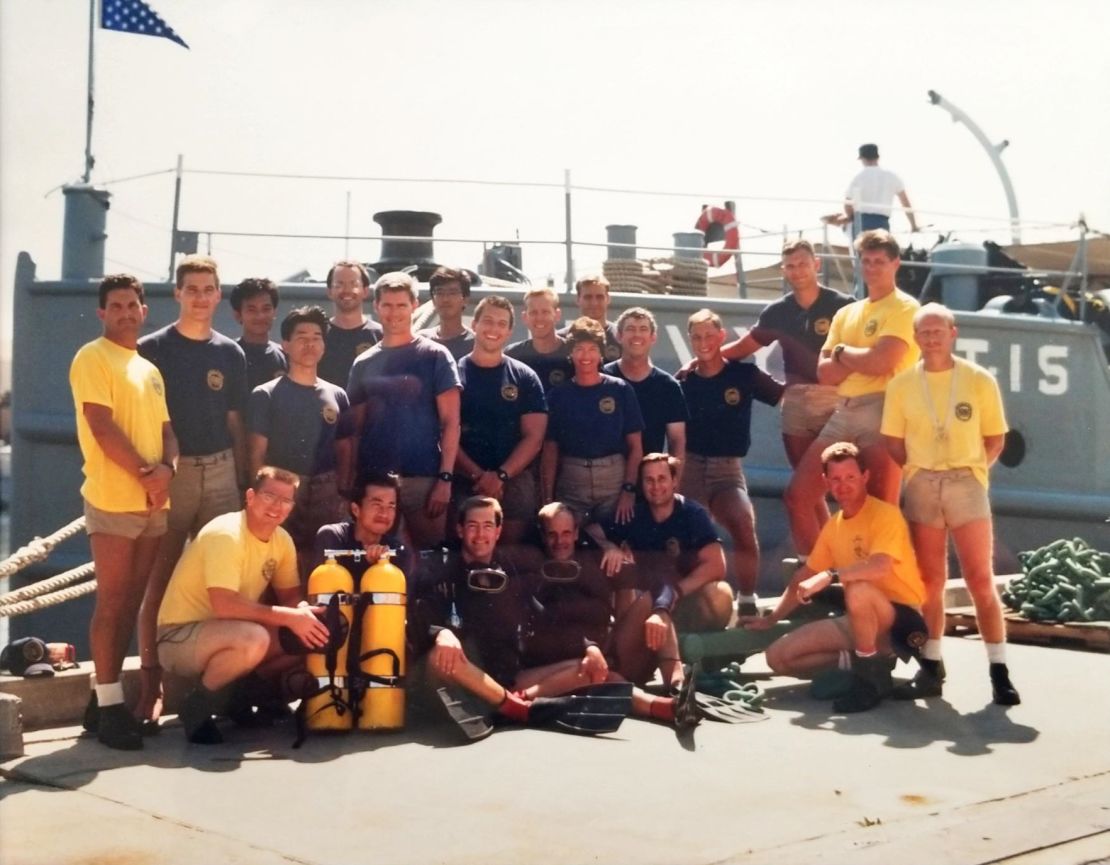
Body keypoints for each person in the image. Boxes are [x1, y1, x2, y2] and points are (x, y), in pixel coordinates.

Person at [881, 303, 1020, 705]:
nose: (931, 338)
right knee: (930, 581)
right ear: (916, 337)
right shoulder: (903, 384)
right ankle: (932, 666)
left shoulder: (978, 380)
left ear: (952, 333)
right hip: (923, 482)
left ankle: (999, 670)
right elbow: (893, 441)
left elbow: (995, 438)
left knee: (980, 579)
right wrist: (917, 473)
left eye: (937, 331)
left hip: (965, 482)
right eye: (923, 332)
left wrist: (973, 473)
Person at [135, 254, 248, 726]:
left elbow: (236, 424)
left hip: (221, 470)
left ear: (219, 296)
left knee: (222, 581)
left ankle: (220, 691)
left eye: (208, 289)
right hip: (173, 475)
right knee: (157, 581)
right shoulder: (152, 350)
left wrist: (242, 483)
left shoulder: (230, 354)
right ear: (177, 293)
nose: (201, 297)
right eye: (192, 289)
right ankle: (150, 688)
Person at [70, 274, 178, 750]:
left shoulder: (148, 369)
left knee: (132, 603)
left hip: (155, 501)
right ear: (102, 313)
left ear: (143, 311)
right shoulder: (92, 357)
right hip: (115, 500)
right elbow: (100, 425)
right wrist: (144, 473)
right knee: (112, 604)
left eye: (133, 305)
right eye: (116, 306)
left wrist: (167, 472)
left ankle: (101, 699)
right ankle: (112, 707)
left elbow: (168, 431)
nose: (126, 312)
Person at [742, 443, 927, 714]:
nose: (843, 485)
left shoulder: (886, 515)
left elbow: (880, 566)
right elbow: (804, 575)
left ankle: (869, 682)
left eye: (850, 477)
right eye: (836, 479)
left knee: (859, 590)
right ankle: (869, 662)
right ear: (826, 482)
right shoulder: (834, 527)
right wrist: (772, 618)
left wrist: (831, 575)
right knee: (778, 658)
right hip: (860, 618)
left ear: (864, 477)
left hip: (901, 621)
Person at [156, 467, 330, 744]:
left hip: (226, 633)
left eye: (285, 501)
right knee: (255, 638)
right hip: (179, 637)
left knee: (312, 634)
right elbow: (224, 605)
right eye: (270, 496)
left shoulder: (281, 540)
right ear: (250, 496)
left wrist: (303, 613)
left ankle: (238, 699)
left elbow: (290, 599)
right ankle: (197, 708)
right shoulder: (227, 534)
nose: (277, 507)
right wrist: (290, 617)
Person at [783, 230, 920, 555]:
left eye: (880, 261)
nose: (872, 267)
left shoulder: (904, 307)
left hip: (883, 411)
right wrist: (860, 357)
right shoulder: (847, 313)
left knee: (880, 507)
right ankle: (818, 573)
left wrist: (843, 353)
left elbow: (884, 360)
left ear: (895, 264)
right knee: (798, 495)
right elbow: (825, 372)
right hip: (843, 411)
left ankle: (884, 590)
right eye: (867, 261)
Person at [527, 501, 696, 726]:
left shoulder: (596, 561)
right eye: (552, 535)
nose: (560, 542)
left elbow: (660, 582)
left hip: (612, 653)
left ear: (577, 533)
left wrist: (661, 611)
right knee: (597, 673)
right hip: (572, 667)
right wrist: (589, 646)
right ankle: (664, 706)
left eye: (566, 533)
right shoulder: (534, 570)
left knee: (652, 605)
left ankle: (677, 687)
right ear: (542, 536)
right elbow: (547, 621)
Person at [345, 272, 461, 548]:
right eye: (387, 305)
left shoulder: (436, 356)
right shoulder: (363, 362)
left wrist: (445, 479)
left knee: (430, 560)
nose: (393, 312)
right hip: (376, 484)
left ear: (415, 305)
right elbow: (354, 430)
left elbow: (451, 422)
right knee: (378, 562)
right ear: (376, 307)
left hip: (424, 481)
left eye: (401, 305)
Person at [680, 308, 784, 615]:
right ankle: (694, 600)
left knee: (742, 521)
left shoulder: (744, 375)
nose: (703, 342)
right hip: (691, 468)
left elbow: (787, 398)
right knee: (689, 536)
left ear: (722, 337)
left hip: (727, 470)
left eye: (709, 335)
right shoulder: (683, 380)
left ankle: (747, 600)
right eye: (697, 337)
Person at [248, 306, 351, 580]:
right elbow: (257, 453)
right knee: (279, 565)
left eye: (317, 337)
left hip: (327, 491)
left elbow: (345, 449)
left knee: (324, 566)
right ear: (285, 344)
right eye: (302, 337)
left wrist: (343, 492)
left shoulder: (337, 395)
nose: (310, 344)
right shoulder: (266, 394)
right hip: (281, 490)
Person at [593, 454, 734, 639]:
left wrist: (677, 592)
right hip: (647, 599)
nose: (656, 486)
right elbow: (592, 531)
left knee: (720, 594)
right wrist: (609, 547)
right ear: (641, 484)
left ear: (674, 481)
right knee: (623, 579)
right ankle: (625, 650)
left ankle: (703, 651)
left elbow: (717, 565)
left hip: (685, 597)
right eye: (649, 480)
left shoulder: (693, 514)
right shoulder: (633, 514)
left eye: (662, 479)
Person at [454, 296, 547, 543]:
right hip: (466, 482)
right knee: (469, 550)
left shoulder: (525, 377)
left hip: (514, 483)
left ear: (509, 332)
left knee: (512, 555)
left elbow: (534, 437)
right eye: (487, 321)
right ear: (474, 324)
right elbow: (445, 432)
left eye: (501, 324)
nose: (493, 329)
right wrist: (479, 476)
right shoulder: (452, 375)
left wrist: (501, 476)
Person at [541, 317, 644, 525]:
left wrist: (628, 490)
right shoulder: (558, 395)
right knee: (570, 540)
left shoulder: (620, 390)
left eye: (592, 349)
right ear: (570, 353)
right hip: (572, 479)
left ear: (601, 353)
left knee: (615, 540)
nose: (586, 356)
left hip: (613, 478)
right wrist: (548, 498)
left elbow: (636, 447)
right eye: (579, 348)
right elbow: (550, 450)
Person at [603, 307, 688, 482]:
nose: (637, 335)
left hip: (650, 481)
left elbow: (677, 441)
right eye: (630, 329)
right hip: (607, 479)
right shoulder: (603, 378)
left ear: (653, 337)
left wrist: (674, 484)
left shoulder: (668, 386)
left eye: (643, 329)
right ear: (619, 336)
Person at [311, 471, 414, 583]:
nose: (384, 514)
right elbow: (327, 588)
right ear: (356, 509)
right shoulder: (332, 536)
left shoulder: (399, 552)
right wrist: (367, 564)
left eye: (391, 507)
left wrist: (381, 567)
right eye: (377, 505)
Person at [318, 260, 382, 388]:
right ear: (329, 291)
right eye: (339, 284)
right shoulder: (318, 335)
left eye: (354, 284)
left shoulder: (381, 336)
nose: (347, 290)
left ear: (365, 291)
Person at [829, 143, 919, 235]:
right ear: (878, 157)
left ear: (862, 158)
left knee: (861, 248)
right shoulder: (892, 177)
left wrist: (851, 218)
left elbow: (847, 205)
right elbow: (905, 203)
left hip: (862, 222)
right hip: (882, 222)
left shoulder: (858, 178)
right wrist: (913, 225)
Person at [505, 286, 574, 393]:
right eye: (533, 312)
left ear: (557, 315)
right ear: (524, 317)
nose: (539, 318)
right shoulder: (512, 355)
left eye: (545, 312)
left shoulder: (573, 355)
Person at [229, 277, 287, 391]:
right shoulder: (229, 354)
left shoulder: (285, 356)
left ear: (274, 312)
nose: (260, 316)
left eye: (266, 309)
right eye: (252, 310)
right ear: (238, 315)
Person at [557, 274, 622, 361]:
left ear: (608, 299)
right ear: (578, 299)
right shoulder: (561, 339)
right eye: (588, 297)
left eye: (599, 297)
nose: (594, 303)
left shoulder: (621, 337)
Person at [417, 266, 476, 361]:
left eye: (452, 293)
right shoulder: (420, 341)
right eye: (440, 293)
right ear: (433, 299)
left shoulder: (476, 344)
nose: (445, 299)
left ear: (465, 299)